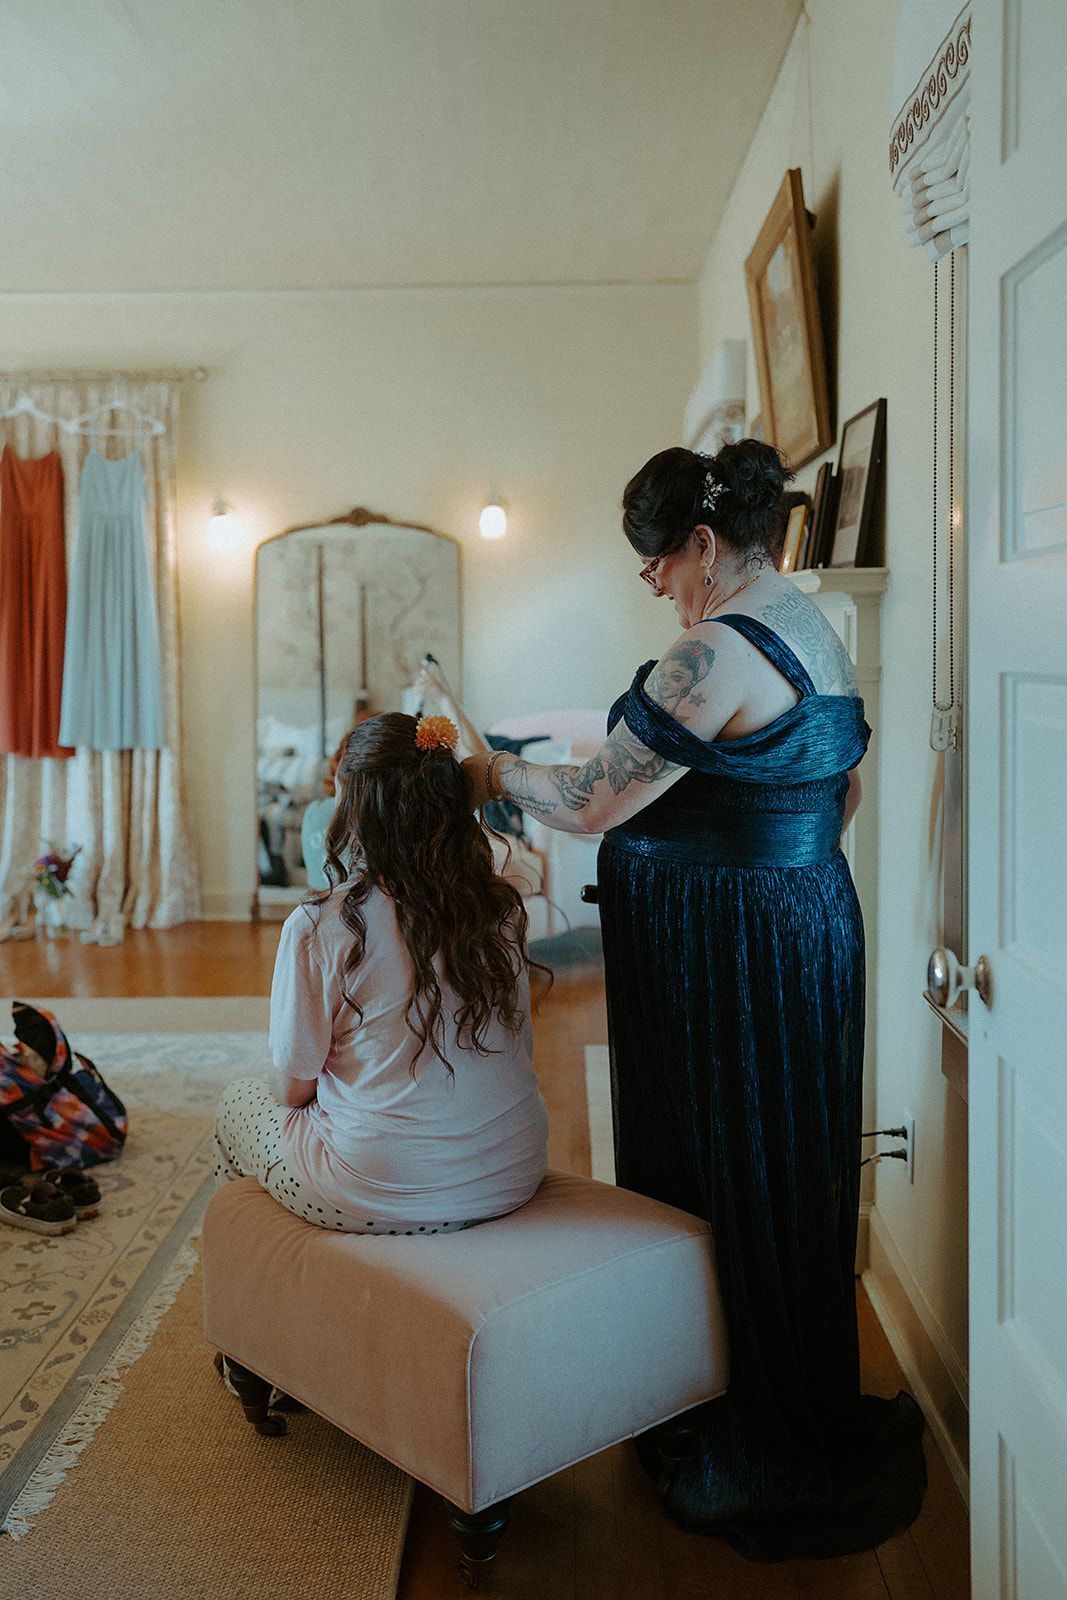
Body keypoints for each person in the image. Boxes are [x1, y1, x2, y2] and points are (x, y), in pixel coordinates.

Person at [461, 440, 926, 1559]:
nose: (654, 583)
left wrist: (486, 771)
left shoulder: (715, 651)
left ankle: (737, 1416)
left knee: (727, 1158)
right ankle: (757, 1382)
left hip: (729, 947)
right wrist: (777, 871)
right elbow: (839, 784)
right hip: (801, 919)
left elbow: (584, 801)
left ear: (705, 545)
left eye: (656, 561)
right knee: (779, 1156)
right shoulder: (811, 622)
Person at [215, 711, 548, 1236]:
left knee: (238, 1103)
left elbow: (291, 1091)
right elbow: (521, 1050)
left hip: (379, 1189)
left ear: (355, 808)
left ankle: (261, 1272)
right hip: (514, 1170)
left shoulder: (318, 926)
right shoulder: (499, 907)